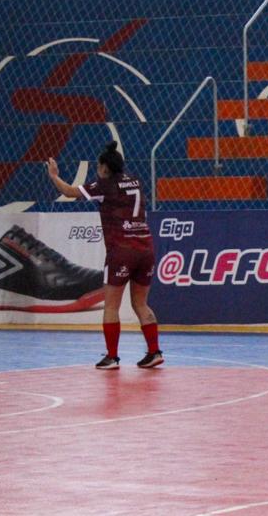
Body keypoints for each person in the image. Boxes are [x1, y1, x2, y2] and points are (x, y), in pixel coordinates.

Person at [46, 142, 163, 370]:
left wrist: (53, 175)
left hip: (122, 250)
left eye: (98, 166)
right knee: (141, 303)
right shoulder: (136, 182)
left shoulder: (103, 185)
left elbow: (69, 192)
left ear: (104, 168)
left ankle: (112, 357)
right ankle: (154, 351)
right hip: (145, 247)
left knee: (111, 306)